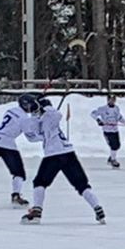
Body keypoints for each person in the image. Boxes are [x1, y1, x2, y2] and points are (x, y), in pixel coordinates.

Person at [20, 96, 106, 225]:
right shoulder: (41, 120)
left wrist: (42, 110)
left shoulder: (49, 116)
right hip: (67, 153)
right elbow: (33, 137)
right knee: (81, 184)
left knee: (40, 182)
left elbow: (56, 115)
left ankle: (37, 212)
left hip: (54, 155)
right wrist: (36, 114)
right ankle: (97, 207)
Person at [91, 94, 125, 168]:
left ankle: (111, 158)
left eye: (113, 99)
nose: (112, 101)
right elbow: (93, 114)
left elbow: (120, 118)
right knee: (113, 146)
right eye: (110, 99)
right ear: (108, 100)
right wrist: (99, 120)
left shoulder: (116, 108)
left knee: (117, 146)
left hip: (115, 130)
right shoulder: (103, 108)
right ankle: (113, 160)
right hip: (107, 131)